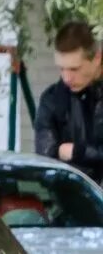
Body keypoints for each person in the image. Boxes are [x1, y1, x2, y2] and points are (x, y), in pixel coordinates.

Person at [35, 21, 103, 185]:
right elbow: (45, 155)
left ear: (97, 58)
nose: (66, 78)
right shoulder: (52, 99)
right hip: (70, 199)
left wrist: (78, 152)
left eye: (74, 69)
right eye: (61, 69)